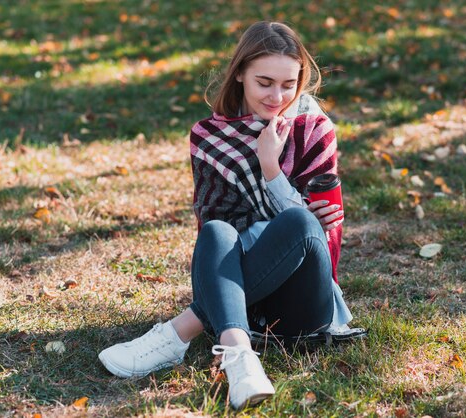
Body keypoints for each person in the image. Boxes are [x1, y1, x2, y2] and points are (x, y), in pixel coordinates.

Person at [99, 21, 356, 410]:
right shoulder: (208, 137)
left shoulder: (314, 129)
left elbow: (320, 235)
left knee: (299, 223)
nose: (277, 96)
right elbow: (215, 229)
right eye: (264, 82)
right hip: (243, 305)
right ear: (240, 74)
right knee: (218, 230)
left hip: (303, 306)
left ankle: (180, 331)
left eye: (289, 84)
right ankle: (239, 356)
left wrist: (271, 170)